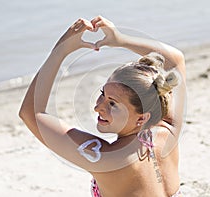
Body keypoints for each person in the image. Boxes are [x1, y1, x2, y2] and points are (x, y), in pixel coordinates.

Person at [19, 16, 186, 197]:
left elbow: (31, 113)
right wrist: (121, 39)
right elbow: (176, 61)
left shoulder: (108, 159)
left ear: (142, 117)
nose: (98, 107)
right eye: (102, 95)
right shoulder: (168, 129)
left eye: (113, 104)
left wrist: (61, 51)